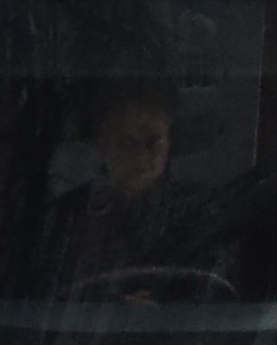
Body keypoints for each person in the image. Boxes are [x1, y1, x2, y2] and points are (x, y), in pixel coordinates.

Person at [47, 82, 228, 297]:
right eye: (127, 143)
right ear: (102, 145)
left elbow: (204, 301)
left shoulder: (195, 215)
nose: (141, 158)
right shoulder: (67, 216)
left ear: (169, 143)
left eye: (153, 143)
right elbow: (45, 297)